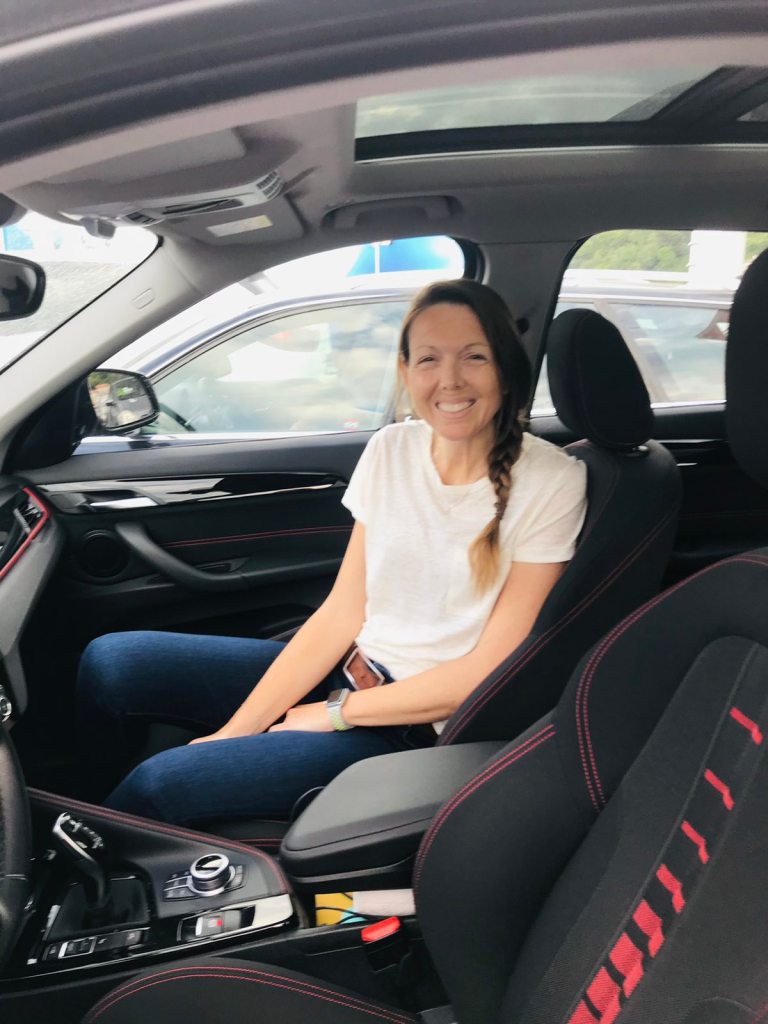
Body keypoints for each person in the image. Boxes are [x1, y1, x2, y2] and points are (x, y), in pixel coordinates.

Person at [76, 279, 588, 827]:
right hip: (348, 673)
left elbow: (485, 672)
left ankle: (87, 859)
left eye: (474, 357)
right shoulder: (391, 448)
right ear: (405, 371)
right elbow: (343, 612)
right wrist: (238, 731)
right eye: (429, 359)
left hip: (414, 729)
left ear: (505, 369)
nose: (450, 380)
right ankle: (80, 803)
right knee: (113, 662)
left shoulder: (553, 481)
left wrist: (337, 713)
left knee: (160, 784)